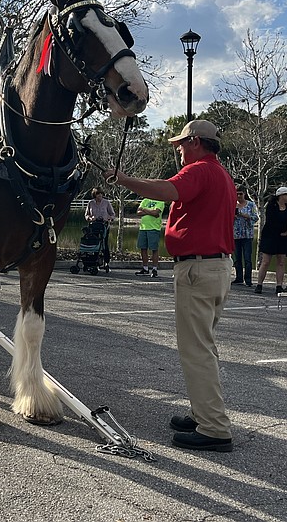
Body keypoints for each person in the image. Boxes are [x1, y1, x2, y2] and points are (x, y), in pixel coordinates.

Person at [105, 120, 235, 452]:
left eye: (179, 143)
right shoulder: (219, 173)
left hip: (198, 268)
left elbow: (166, 191)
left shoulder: (198, 170)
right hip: (215, 267)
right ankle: (203, 413)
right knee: (203, 346)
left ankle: (215, 428)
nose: (176, 148)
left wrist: (123, 180)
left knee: (196, 350)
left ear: (194, 142)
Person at [254, 187, 287, 294]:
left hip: (283, 238)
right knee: (265, 261)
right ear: (281, 196)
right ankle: (259, 284)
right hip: (270, 237)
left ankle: (279, 285)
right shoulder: (271, 206)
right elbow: (272, 222)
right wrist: (283, 229)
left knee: (281, 262)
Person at [233, 186, 258, 287]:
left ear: (244, 194)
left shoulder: (251, 205)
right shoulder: (232, 205)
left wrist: (246, 216)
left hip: (247, 235)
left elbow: (255, 217)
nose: (239, 196)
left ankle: (248, 279)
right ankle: (239, 278)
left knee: (247, 258)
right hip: (235, 235)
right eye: (237, 194)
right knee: (237, 258)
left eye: (241, 194)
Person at [85, 187, 115, 268]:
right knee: (94, 243)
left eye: (101, 194)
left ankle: (106, 262)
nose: (100, 196)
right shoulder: (90, 203)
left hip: (104, 225)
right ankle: (94, 261)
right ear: (95, 195)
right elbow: (86, 215)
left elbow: (112, 214)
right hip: (93, 225)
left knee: (104, 243)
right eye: (98, 194)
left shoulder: (106, 203)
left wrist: (109, 218)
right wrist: (90, 218)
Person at [134, 197, 165, 277]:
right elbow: (138, 212)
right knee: (143, 248)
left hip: (154, 228)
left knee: (154, 249)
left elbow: (156, 213)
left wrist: (144, 209)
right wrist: (150, 212)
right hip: (143, 228)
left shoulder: (160, 201)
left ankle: (154, 269)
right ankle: (145, 268)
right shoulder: (145, 200)